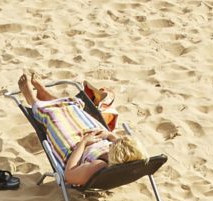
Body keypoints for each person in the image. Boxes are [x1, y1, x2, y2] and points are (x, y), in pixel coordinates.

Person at [13, 72, 148, 182]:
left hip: (75, 148)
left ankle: (34, 101)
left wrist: (83, 143)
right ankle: (46, 96)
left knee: (54, 117)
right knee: (75, 111)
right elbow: (126, 150)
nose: (114, 142)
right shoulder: (135, 162)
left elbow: (69, 175)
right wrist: (109, 136)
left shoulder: (99, 166)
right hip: (96, 140)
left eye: (114, 144)